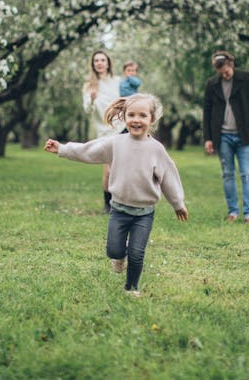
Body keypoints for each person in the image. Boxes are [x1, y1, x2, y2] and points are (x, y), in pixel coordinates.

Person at [44, 93, 189, 296]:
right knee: (113, 250)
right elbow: (88, 151)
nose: (136, 120)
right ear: (124, 117)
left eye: (142, 115)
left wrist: (178, 203)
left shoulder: (156, 150)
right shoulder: (116, 143)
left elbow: (169, 178)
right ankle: (119, 257)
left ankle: (131, 288)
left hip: (144, 213)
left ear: (152, 119)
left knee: (137, 254)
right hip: (119, 210)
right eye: (131, 115)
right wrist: (62, 148)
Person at [203, 50, 249, 225]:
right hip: (223, 137)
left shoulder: (246, 79)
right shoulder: (212, 84)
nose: (225, 74)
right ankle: (233, 212)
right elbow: (206, 112)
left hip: (245, 135)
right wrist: (208, 138)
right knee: (228, 174)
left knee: (247, 174)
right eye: (221, 72)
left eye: (227, 70)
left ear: (231, 64)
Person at [82, 50, 121, 213]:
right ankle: (108, 204)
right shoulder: (89, 86)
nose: (99, 63)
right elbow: (87, 110)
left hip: (122, 127)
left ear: (108, 63)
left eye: (102, 60)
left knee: (122, 167)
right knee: (109, 168)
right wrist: (91, 99)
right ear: (93, 64)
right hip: (105, 131)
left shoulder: (117, 81)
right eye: (96, 60)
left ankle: (122, 202)